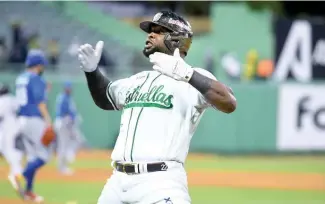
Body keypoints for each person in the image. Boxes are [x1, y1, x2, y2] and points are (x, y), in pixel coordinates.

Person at [78, 11, 236, 204]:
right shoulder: (139, 79)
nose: (150, 34)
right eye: (150, 30)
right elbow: (105, 98)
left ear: (178, 40)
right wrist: (92, 72)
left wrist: (186, 73)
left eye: (159, 31)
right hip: (117, 181)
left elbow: (228, 102)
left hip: (160, 181)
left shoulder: (193, 78)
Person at [12, 49, 55, 203]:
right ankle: (18, 175)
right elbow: (40, 102)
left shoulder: (21, 78)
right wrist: (48, 121)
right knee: (44, 156)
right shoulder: (36, 78)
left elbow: (30, 96)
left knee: (32, 157)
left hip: (21, 120)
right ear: (38, 64)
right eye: (42, 65)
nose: (43, 68)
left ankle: (29, 191)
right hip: (33, 120)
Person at [54, 81, 85, 175]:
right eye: (68, 87)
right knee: (63, 145)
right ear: (65, 88)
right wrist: (74, 117)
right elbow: (65, 111)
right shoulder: (64, 97)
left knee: (75, 140)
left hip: (63, 122)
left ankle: (67, 157)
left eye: (70, 87)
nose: (69, 89)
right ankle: (62, 167)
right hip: (63, 121)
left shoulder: (64, 97)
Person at [0, 84, 24, 183]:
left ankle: (16, 171)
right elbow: (20, 109)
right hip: (16, 125)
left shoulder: (2, 100)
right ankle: (16, 170)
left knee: (7, 149)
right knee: (12, 149)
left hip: (6, 127)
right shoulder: (12, 99)